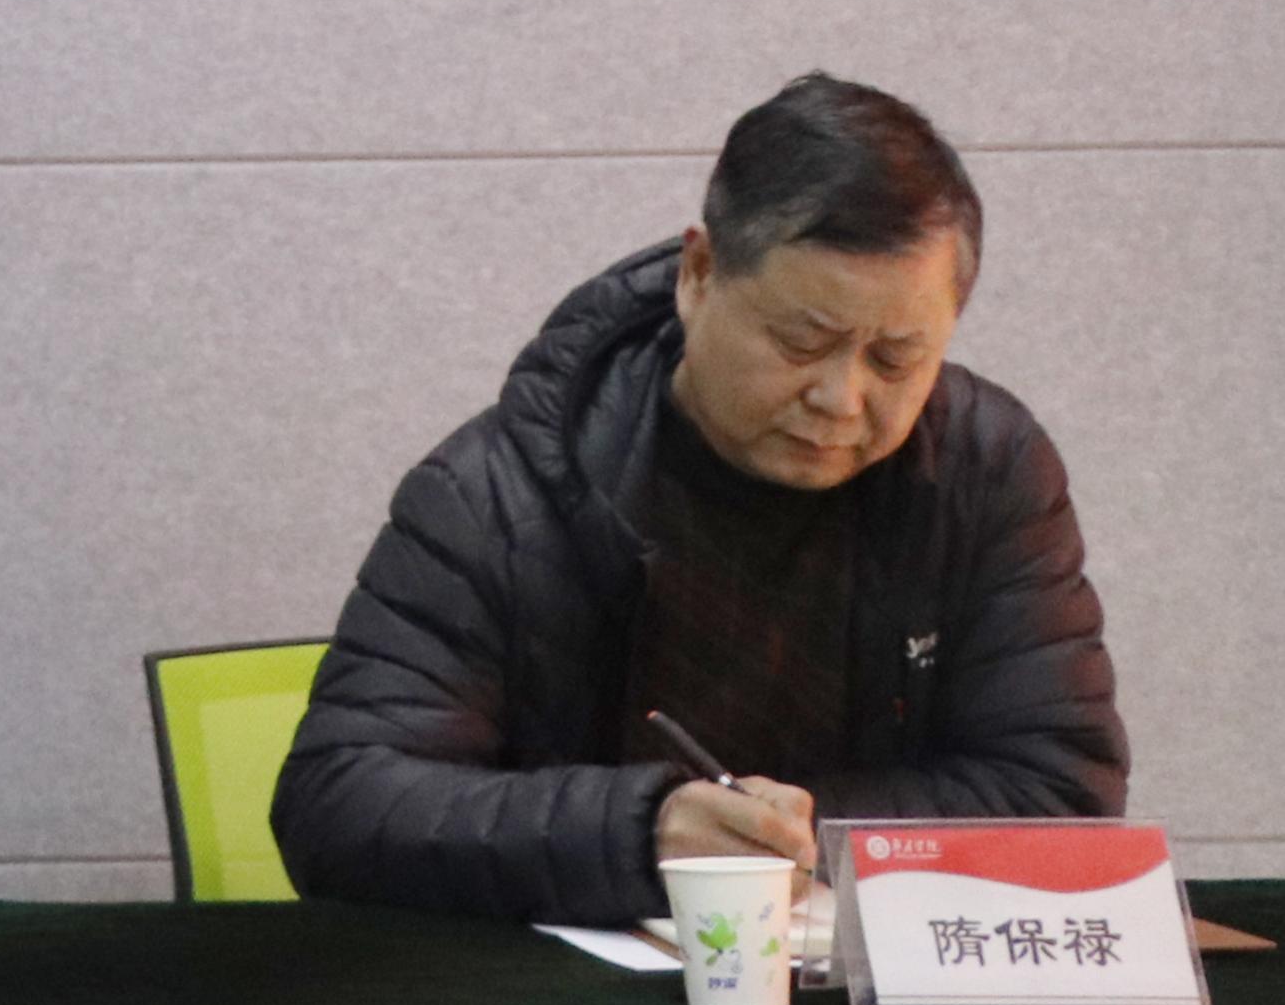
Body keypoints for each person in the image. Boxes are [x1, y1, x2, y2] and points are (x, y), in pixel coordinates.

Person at [274, 73, 1125, 923]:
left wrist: (779, 837)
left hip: (866, 989)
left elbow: (1058, 792)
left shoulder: (986, 472)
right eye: (802, 342)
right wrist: (639, 834)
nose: (841, 398)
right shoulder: (501, 492)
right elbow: (339, 804)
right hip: (574, 992)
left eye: (895, 358)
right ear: (699, 272)